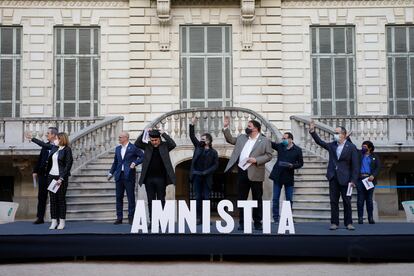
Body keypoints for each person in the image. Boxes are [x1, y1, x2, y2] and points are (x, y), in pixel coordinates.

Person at [222, 116, 273, 231]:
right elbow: (230, 139)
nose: (247, 128)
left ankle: (258, 223)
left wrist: (256, 160)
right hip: (242, 172)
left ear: (256, 129)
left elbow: (269, 155)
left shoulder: (264, 141)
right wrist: (226, 127)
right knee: (242, 199)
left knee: (257, 199)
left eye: (249, 126)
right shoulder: (242, 138)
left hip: (255, 172)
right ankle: (242, 223)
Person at [309, 121, 359, 230]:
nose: (334, 135)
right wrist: (312, 132)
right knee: (333, 201)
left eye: (337, 133)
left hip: (346, 179)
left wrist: (353, 180)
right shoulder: (332, 145)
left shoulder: (351, 147)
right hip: (333, 177)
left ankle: (348, 223)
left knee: (347, 202)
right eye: (334, 133)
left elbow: (355, 166)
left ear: (343, 135)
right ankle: (334, 223)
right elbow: (320, 142)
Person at [26, 132, 73, 230]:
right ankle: (54, 221)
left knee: (61, 200)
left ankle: (62, 221)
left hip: (61, 178)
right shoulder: (54, 148)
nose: (55, 140)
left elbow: (68, 165)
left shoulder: (67, 150)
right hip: (51, 177)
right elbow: (43, 144)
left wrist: (61, 178)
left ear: (62, 139)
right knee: (52, 200)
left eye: (57, 138)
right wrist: (33, 139)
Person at [135, 128, 176, 221]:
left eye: (156, 140)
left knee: (161, 200)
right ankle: (152, 221)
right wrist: (144, 132)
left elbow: (173, 144)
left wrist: (164, 134)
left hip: (161, 179)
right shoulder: (147, 146)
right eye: (152, 140)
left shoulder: (165, 146)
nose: (154, 142)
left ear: (159, 139)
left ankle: (162, 221)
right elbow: (137, 143)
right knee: (151, 201)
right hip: (149, 179)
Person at [108, 132, 144, 225]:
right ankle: (119, 218)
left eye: (120, 137)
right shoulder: (118, 148)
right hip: (119, 175)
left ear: (126, 138)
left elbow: (143, 156)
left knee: (130, 197)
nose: (119, 139)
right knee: (118, 197)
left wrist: (135, 163)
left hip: (129, 175)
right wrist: (111, 172)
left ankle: (131, 218)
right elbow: (115, 162)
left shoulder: (133, 148)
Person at [189, 117, 219, 225]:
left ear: (209, 141)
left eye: (203, 139)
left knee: (206, 198)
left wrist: (207, 172)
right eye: (201, 139)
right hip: (197, 176)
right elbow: (192, 136)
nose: (201, 140)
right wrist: (192, 124)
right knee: (198, 198)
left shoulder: (213, 152)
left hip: (207, 177)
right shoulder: (198, 147)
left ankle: (206, 219)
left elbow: (216, 165)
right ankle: (198, 218)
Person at [269, 132, 303, 223]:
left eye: (285, 138)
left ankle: (288, 218)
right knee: (275, 198)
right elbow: (271, 143)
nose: (283, 140)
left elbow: (300, 163)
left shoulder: (297, 150)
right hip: (278, 176)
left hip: (288, 177)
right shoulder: (280, 146)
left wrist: (292, 166)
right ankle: (276, 218)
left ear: (291, 139)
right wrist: (260, 135)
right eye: (282, 138)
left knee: (289, 199)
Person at [32, 127, 58, 224]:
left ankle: (55, 218)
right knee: (41, 197)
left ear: (54, 135)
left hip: (54, 176)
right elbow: (40, 159)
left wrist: (32, 138)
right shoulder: (45, 146)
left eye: (48, 133)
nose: (46, 135)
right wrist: (35, 171)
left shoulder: (58, 146)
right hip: (43, 175)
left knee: (54, 197)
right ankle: (40, 217)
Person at [350, 140, 380, 224]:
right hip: (360, 180)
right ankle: (360, 218)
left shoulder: (375, 156)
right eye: (362, 146)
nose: (363, 148)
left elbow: (378, 167)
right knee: (360, 200)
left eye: (365, 147)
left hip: (370, 180)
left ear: (370, 148)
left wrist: (373, 175)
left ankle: (370, 218)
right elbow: (353, 147)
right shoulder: (359, 154)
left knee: (369, 200)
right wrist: (348, 138)